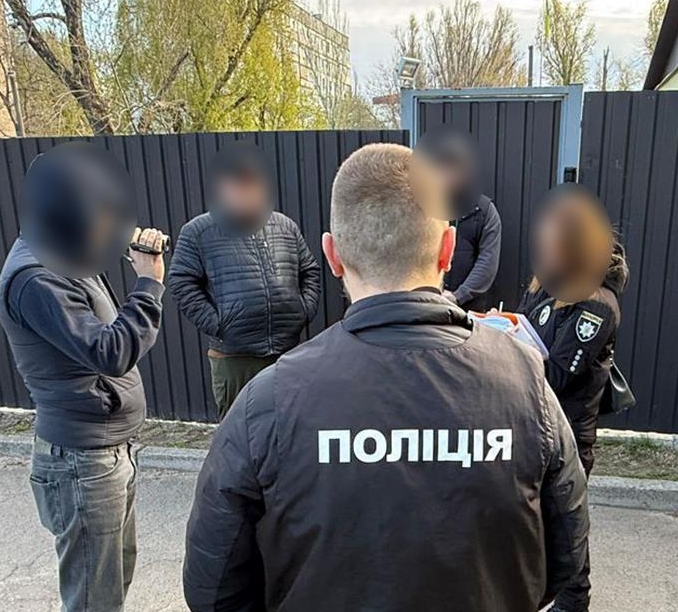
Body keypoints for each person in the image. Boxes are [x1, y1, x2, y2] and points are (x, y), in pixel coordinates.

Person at [183, 143, 589, 611]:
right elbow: (565, 558)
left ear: (332, 255)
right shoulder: (526, 382)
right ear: (448, 249)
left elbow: (214, 589)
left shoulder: (269, 400)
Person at [0, 142, 168, 612]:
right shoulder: (35, 278)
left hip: (108, 452)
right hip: (82, 461)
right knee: (94, 599)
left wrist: (124, 242)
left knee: (112, 580)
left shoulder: (64, 254)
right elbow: (111, 352)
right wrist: (150, 282)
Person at [518, 185, 628, 612]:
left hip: (568, 434)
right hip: (533, 424)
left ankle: (573, 605)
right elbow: (523, 328)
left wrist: (507, 358)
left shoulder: (598, 303)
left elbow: (560, 374)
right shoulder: (545, 286)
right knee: (535, 528)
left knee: (566, 532)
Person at [168, 142, 321, 418]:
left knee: (289, 425)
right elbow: (180, 282)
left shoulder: (284, 225)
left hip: (286, 352)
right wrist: (219, 324)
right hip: (235, 359)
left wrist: (303, 311)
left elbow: (309, 270)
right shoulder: (199, 231)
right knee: (238, 430)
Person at [415, 127, 502, 311]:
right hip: (425, 305)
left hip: (469, 308)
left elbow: (487, 262)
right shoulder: (420, 205)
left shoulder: (484, 211)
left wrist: (458, 296)